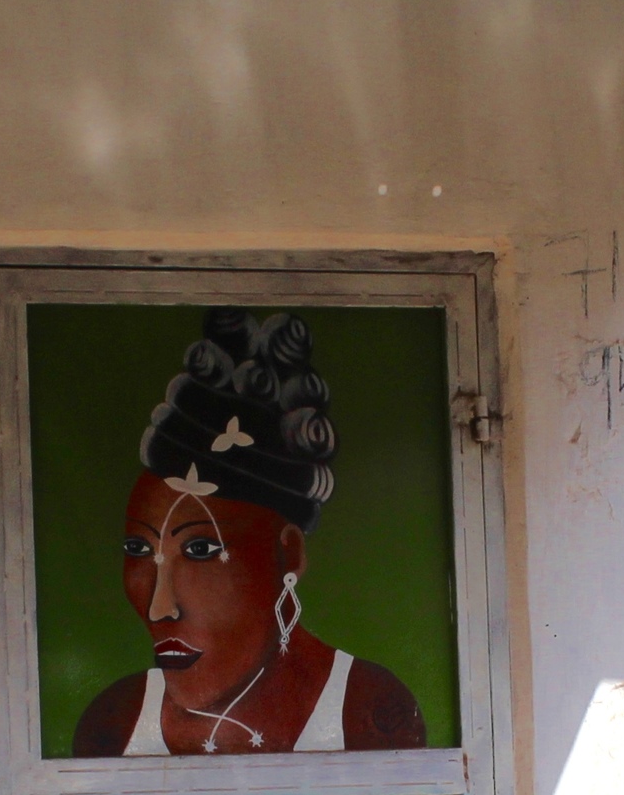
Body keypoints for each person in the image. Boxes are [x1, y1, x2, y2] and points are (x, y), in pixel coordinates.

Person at [72, 310, 425, 756]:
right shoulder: (116, 720)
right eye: (138, 548)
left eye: (200, 549)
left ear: (289, 556)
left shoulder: (371, 710)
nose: (161, 607)